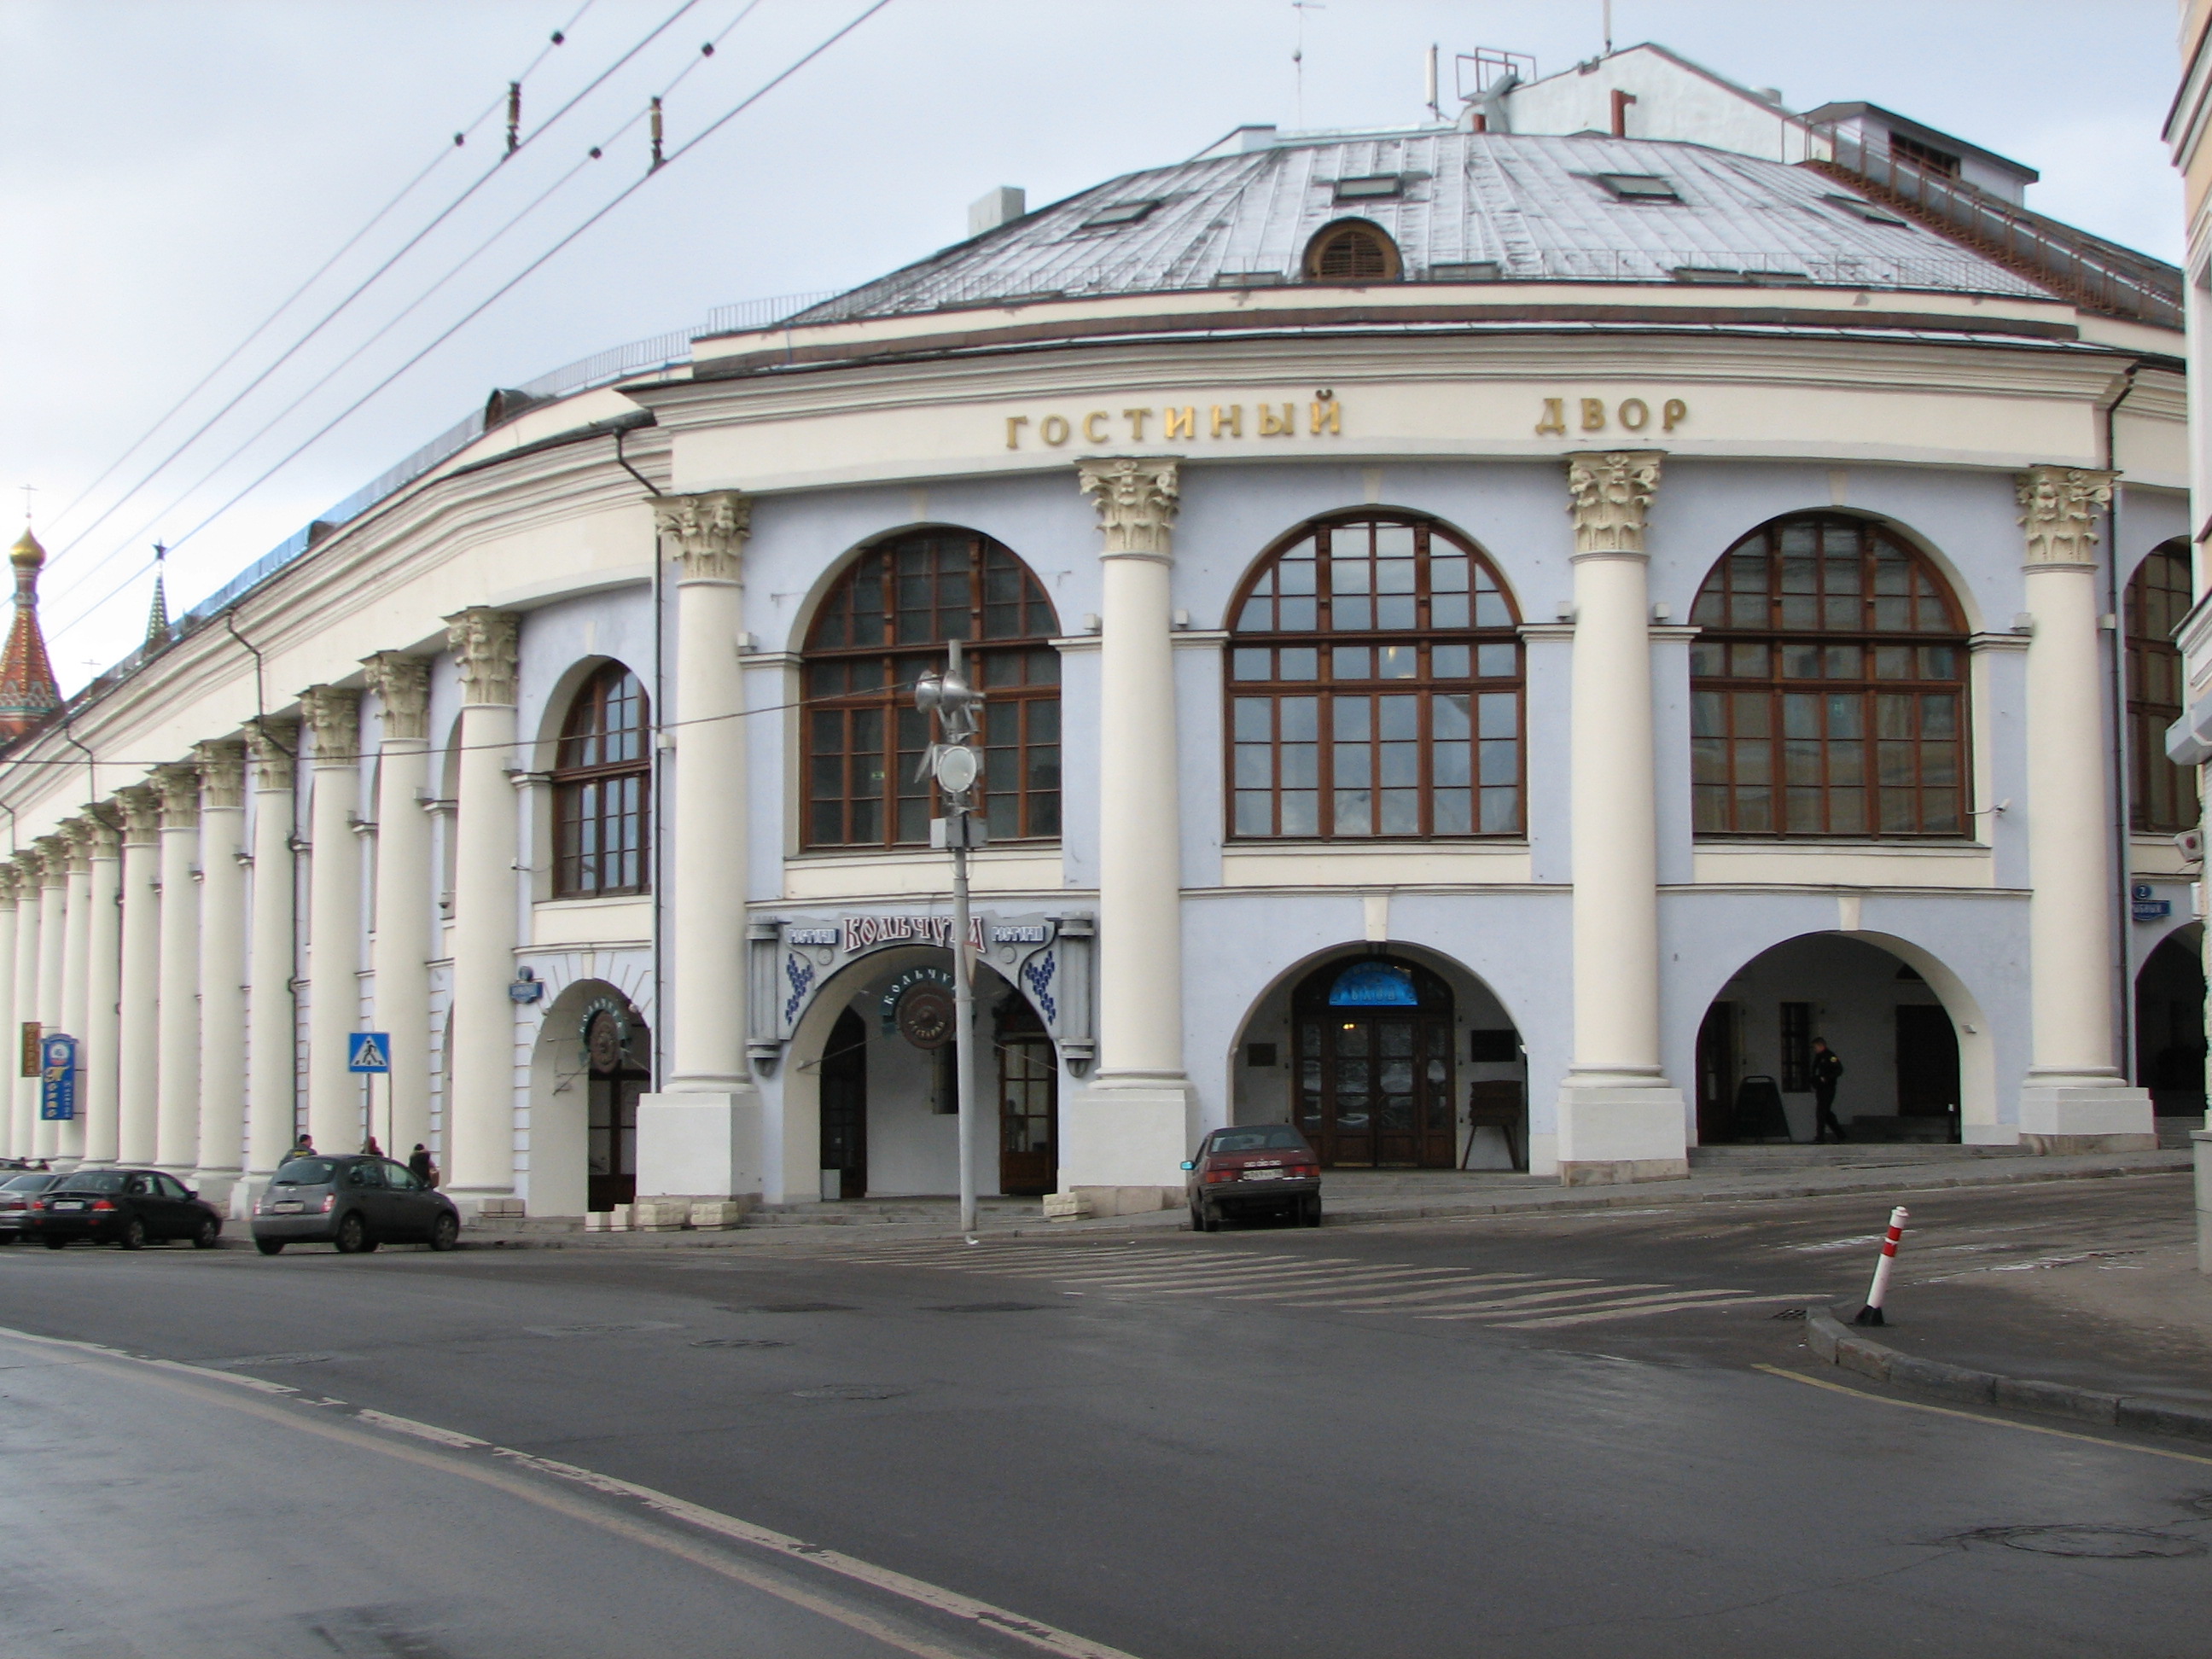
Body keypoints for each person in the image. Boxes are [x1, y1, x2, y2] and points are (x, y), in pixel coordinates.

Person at [1811, 1039, 1848, 1143]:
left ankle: (1820, 1137)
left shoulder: (1830, 1056)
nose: (1815, 1050)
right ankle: (1841, 1134)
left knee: (1821, 1112)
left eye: (1815, 1047)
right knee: (1825, 1113)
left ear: (1820, 1045)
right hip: (1820, 1087)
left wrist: (1827, 1078)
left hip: (1828, 1087)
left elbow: (1839, 1070)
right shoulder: (1819, 1057)